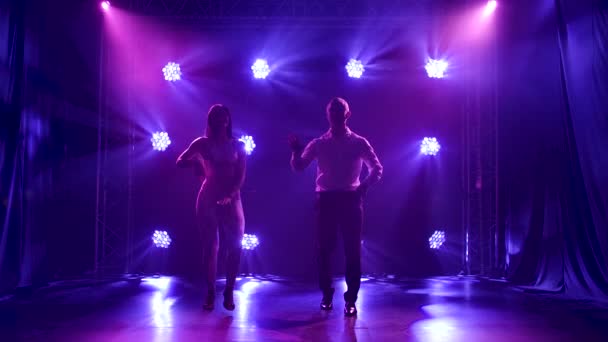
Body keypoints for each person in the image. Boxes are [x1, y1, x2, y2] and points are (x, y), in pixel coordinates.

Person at [289, 97, 383, 317]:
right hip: (327, 200)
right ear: (328, 114)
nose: (336, 114)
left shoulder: (358, 142)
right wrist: (295, 151)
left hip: (349, 199)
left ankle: (350, 299)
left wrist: (364, 186)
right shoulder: (319, 143)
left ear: (347, 114)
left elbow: (377, 168)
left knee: (352, 252)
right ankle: (327, 296)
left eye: (339, 110)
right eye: (333, 110)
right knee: (324, 251)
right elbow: (299, 166)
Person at [177, 104, 246, 311]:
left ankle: (229, 290)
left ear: (228, 119)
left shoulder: (238, 145)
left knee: (235, 246)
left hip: (232, 198)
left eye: (224, 115)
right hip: (208, 197)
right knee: (211, 247)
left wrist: (230, 195)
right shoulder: (202, 143)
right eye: (216, 116)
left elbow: (241, 176)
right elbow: (180, 160)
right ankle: (209, 291)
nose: (221, 119)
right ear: (211, 120)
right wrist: (196, 162)